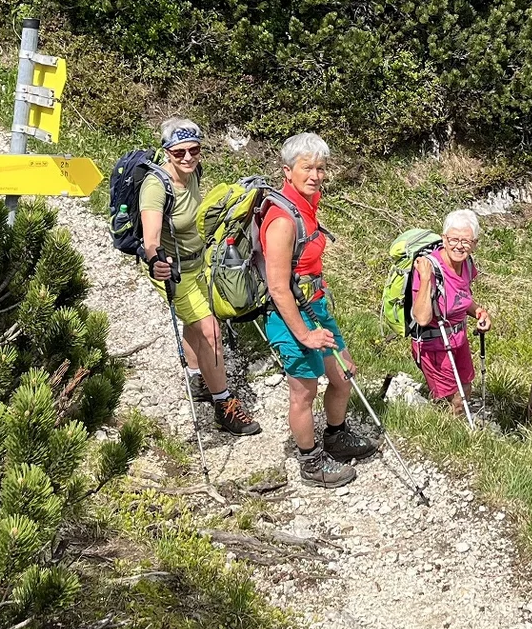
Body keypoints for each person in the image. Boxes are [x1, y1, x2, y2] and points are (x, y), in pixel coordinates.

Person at [260, 132, 375, 487]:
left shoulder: (308, 204)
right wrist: (305, 334)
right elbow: (278, 287)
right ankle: (310, 463)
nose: (315, 175)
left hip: (315, 304)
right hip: (288, 315)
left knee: (343, 375)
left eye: (320, 168)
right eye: (306, 167)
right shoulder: (282, 220)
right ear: (287, 171)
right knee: (304, 391)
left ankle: (336, 437)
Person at [141, 118, 260, 436]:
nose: (188, 158)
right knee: (211, 331)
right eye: (179, 152)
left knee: (196, 325)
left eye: (194, 150)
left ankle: (197, 378)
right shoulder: (156, 187)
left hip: (199, 263)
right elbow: (150, 236)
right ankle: (224, 404)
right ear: (167, 151)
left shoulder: (194, 173)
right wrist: (155, 259)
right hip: (172, 270)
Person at [409, 209, 493, 415]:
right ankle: (447, 438)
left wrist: (480, 312)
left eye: (466, 241)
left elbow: (461, 298)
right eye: (454, 239)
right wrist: (427, 278)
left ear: (475, 244)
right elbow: (421, 318)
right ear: (443, 239)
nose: (459, 246)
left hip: (459, 339)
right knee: (454, 399)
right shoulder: (429, 268)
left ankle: (453, 429)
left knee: (465, 388)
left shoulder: (467, 264)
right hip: (434, 344)